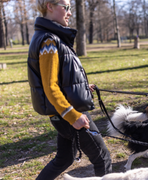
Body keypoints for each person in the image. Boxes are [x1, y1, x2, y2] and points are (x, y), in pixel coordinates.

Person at [27, 0, 112, 179]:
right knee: (102, 158)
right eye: (66, 7)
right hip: (69, 114)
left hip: (63, 113)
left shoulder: (51, 36)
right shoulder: (49, 40)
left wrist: (81, 87)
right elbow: (50, 86)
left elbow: (61, 77)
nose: (70, 13)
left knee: (64, 159)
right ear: (50, 6)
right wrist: (74, 117)